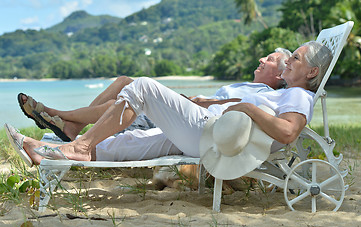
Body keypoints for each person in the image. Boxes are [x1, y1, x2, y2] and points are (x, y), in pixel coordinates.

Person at [6, 41, 332, 169]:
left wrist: (246, 109)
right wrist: (224, 101)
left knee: (143, 86)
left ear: (312, 72)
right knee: (122, 145)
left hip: (213, 134)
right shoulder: (283, 92)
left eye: (296, 59)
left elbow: (288, 132)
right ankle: (46, 149)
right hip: (207, 129)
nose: (289, 61)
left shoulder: (298, 95)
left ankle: (77, 143)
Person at [18, 48, 291, 142]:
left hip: (191, 123)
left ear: (279, 76)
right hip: (190, 110)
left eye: (268, 59)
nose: (261, 59)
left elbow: (234, 109)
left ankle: (60, 116)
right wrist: (190, 98)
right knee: (125, 81)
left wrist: (198, 102)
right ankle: (73, 125)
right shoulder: (251, 86)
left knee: (122, 102)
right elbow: (224, 102)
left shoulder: (265, 95)